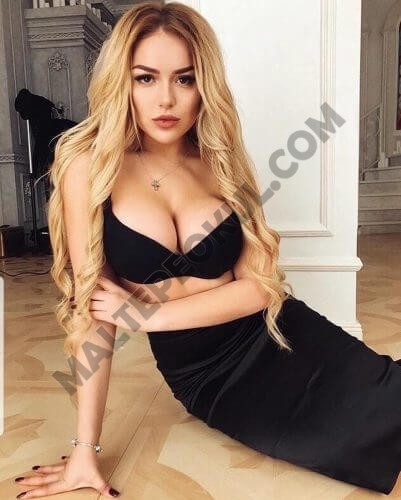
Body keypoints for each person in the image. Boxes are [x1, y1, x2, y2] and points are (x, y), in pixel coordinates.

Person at [14, 1, 401, 498]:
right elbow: (95, 313)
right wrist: (85, 450)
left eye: (185, 78)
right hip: (210, 378)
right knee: (354, 445)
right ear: (121, 82)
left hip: (280, 332)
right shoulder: (88, 166)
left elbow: (261, 289)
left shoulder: (220, 161)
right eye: (146, 78)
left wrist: (148, 316)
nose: (166, 99)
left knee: (387, 395)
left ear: (205, 85)